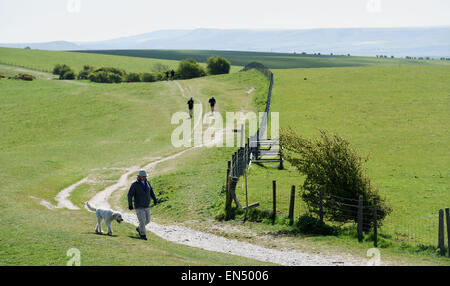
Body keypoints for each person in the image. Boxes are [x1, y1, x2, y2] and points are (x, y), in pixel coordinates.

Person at [127, 169, 157, 240]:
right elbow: (129, 195)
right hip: (139, 206)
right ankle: (143, 235)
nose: (144, 177)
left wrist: (155, 199)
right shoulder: (134, 185)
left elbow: (151, 192)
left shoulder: (148, 183)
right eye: (143, 176)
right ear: (139, 177)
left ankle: (139, 228)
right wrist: (130, 204)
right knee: (142, 221)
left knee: (148, 220)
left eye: (145, 176)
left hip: (147, 205)